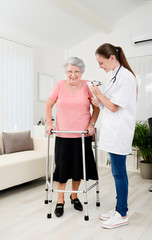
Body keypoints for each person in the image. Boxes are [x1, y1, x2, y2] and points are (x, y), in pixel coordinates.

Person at [45, 56, 99, 217]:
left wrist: (91, 124)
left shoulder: (88, 85)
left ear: (81, 72)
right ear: (65, 72)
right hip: (62, 134)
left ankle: (74, 196)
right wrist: (49, 124)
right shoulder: (60, 85)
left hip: (82, 135)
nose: (73, 74)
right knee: (62, 170)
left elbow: (97, 107)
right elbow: (49, 104)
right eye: (69, 71)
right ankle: (60, 200)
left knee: (78, 169)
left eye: (76, 71)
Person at [91, 43, 137, 229]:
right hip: (112, 129)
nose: (100, 67)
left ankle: (123, 213)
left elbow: (114, 106)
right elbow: (108, 104)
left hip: (119, 131)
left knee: (119, 172)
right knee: (116, 172)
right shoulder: (113, 76)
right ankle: (119, 208)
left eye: (101, 63)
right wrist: (98, 100)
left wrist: (99, 94)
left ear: (112, 58)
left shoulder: (126, 77)